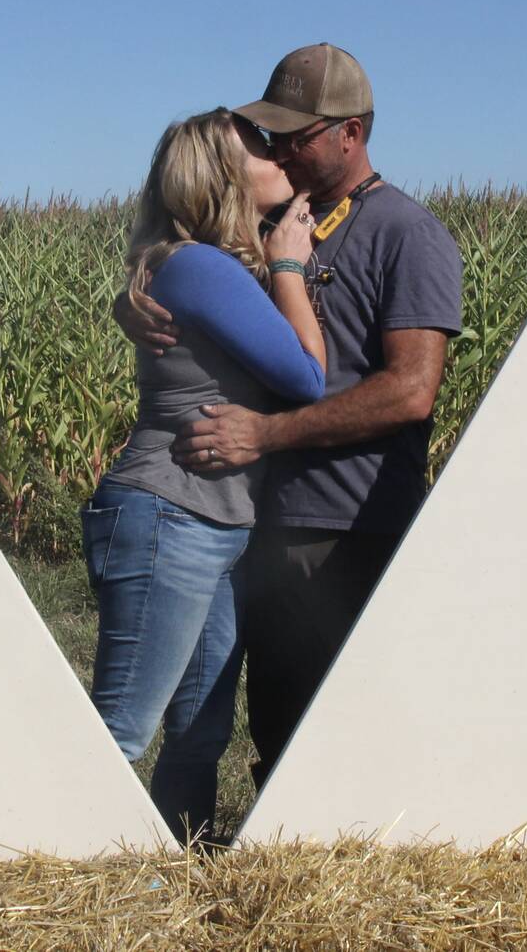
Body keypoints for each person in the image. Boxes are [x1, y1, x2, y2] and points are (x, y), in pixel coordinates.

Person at [122, 43, 463, 787]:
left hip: (346, 527)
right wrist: (136, 294)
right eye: (269, 134)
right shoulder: (281, 221)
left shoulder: (405, 233)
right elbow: (196, 260)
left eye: (295, 135)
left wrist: (268, 433)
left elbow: (411, 391)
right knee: (271, 726)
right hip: (261, 522)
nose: (278, 150)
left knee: (337, 732)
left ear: (352, 133)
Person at [85, 108, 325, 843]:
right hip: (170, 514)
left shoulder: (198, 264)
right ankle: (45, 871)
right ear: (222, 177)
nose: (276, 153)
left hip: (212, 523)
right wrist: (289, 268)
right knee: (119, 731)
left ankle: (179, 864)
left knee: (201, 728)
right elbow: (307, 377)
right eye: (257, 147)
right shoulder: (200, 266)